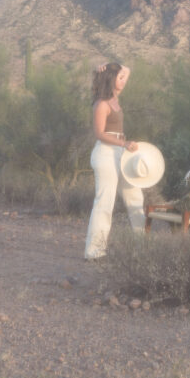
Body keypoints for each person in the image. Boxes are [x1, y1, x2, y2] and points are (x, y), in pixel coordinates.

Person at [84, 62, 145, 260]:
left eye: (123, 77)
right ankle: (94, 251)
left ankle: (143, 247)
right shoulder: (102, 104)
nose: (124, 80)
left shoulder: (114, 100)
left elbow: (127, 69)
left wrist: (111, 68)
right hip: (106, 154)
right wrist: (124, 143)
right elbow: (99, 134)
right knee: (104, 203)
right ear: (111, 79)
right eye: (119, 78)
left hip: (120, 152)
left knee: (135, 197)